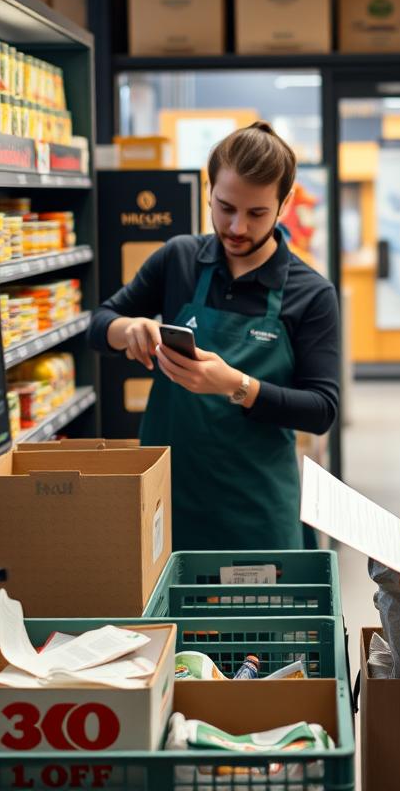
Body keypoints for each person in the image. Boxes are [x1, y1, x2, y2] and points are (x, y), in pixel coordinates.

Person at [90, 122, 339, 551]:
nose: (237, 226)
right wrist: (126, 329)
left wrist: (237, 386)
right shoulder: (179, 259)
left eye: (257, 213)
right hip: (167, 500)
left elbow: (321, 409)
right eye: (225, 207)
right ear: (209, 190)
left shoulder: (310, 293)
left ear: (285, 203)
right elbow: (98, 324)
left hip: (257, 509)